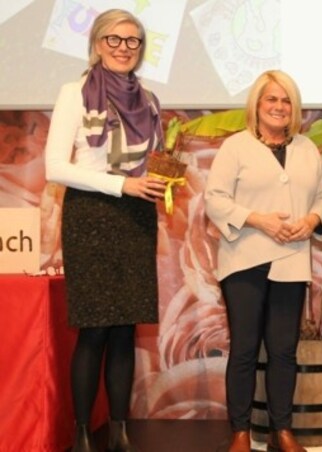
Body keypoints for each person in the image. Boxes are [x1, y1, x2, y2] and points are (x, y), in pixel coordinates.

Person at [44, 9, 165, 452]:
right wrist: (122, 184)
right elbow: (55, 167)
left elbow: (152, 162)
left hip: (135, 217)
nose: (123, 48)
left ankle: (119, 431)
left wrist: (162, 181)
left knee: (123, 330)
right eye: (114, 39)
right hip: (90, 217)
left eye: (132, 41)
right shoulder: (74, 93)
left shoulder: (149, 100)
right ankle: (81, 435)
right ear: (97, 44)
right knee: (94, 328)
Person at [205, 70, 322, 452]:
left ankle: (283, 430)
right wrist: (257, 220)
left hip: (291, 261)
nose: (279, 107)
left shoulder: (307, 149)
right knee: (244, 348)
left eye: (286, 100)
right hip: (244, 259)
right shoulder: (236, 147)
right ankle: (240, 431)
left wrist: (311, 220)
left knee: (283, 351)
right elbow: (215, 199)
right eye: (271, 99)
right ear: (257, 106)